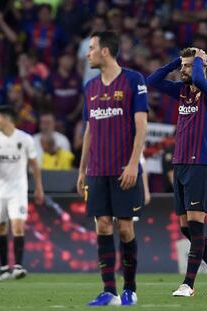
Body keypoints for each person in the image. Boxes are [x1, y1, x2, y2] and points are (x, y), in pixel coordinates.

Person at [147, 47, 207, 297]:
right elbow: (152, 81)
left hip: (200, 165)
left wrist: (198, 62)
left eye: (188, 66)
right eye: (182, 66)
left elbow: (198, 78)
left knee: (195, 227)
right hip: (180, 164)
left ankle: (189, 284)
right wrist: (176, 61)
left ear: (202, 67)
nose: (184, 70)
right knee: (186, 229)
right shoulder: (182, 92)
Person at [76, 31, 148, 306]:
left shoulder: (133, 80)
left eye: (91, 48)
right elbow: (89, 131)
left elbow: (141, 126)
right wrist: (82, 169)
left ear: (105, 51)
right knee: (102, 226)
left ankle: (130, 288)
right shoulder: (90, 87)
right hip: (96, 171)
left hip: (123, 170)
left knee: (126, 229)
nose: (88, 53)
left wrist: (133, 164)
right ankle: (110, 291)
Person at [0, 105, 44, 281]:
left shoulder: (25, 139)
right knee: (0, 227)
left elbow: (34, 164)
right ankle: (4, 269)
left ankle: (18, 267)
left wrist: (39, 187)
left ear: (7, 118)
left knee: (18, 226)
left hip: (18, 190)